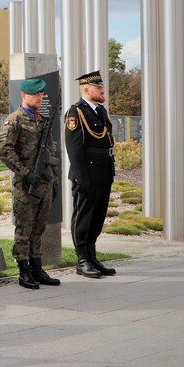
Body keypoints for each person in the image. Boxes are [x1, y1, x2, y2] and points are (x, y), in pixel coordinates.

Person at [0, 78, 60, 290]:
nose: (40, 98)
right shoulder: (14, 120)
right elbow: (4, 151)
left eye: (42, 94)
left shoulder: (42, 121)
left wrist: (54, 179)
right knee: (24, 229)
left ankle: (37, 268)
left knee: (39, 228)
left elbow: (50, 153)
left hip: (44, 183)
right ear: (24, 95)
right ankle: (24, 271)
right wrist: (25, 173)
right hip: (26, 186)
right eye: (36, 94)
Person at [64, 70, 116, 279]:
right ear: (86, 89)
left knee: (97, 217)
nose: (103, 90)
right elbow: (74, 148)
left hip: (103, 172)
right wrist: (82, 178)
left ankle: (92, 256)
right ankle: (82, 260)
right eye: (98, 87)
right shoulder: (76, 112)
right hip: (86, 174)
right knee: (84, 217)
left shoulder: (100, 111)